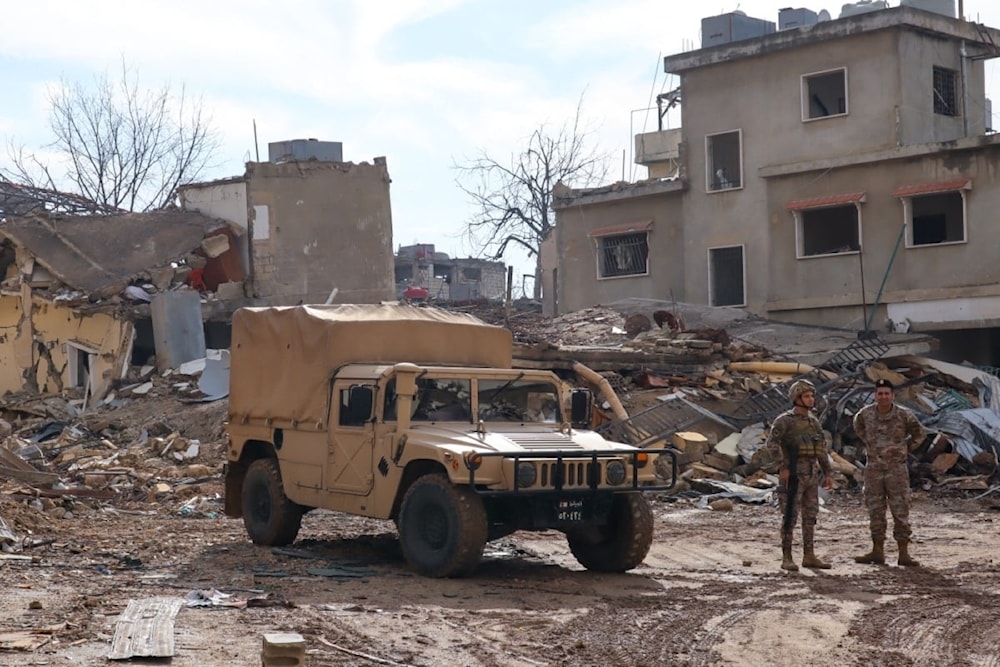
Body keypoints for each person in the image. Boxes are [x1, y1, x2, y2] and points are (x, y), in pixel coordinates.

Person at [852, 378, 927, 567]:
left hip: (896, 470)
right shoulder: (865, 414)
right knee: (875, 510)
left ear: (892, 396)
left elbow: (920, 433)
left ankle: (903, 553)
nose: (883, 396)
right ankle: (877, 551)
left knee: (900, 510)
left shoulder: (904, 415)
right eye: (880, 393)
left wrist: (905, 448)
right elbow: (858, 428)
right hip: (873, 469)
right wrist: (871, 443)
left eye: (886, 393)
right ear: (875, 396)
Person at [766, 379, 834, 571]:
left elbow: (820, 448)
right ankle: (787, 557)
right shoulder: (784, 421)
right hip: (793, 474)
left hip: (811, 475)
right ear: (796, 398)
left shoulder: (813, 422)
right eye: (806, 396)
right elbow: (772, 444)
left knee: (810, 515)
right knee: (790, 515)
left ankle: (809, 555)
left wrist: (827, 472)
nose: (811, 399)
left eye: (812, 395)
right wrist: (782, 466)